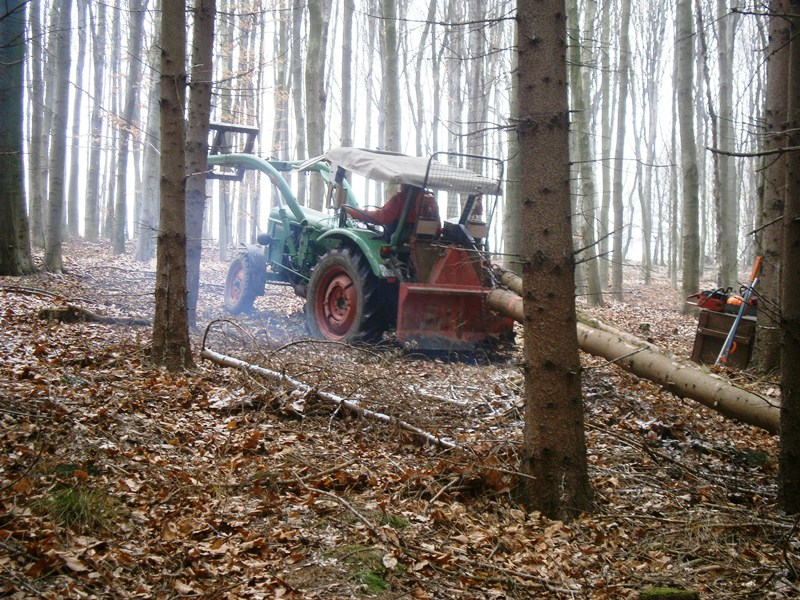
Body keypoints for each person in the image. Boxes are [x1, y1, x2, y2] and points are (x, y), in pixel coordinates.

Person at [343, 184, 439, 238]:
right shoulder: (430, 201)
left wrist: (354, 213)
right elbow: (438, 228)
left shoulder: (401, 198)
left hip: (399, 240)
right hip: (424, 241)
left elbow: (381, 217)